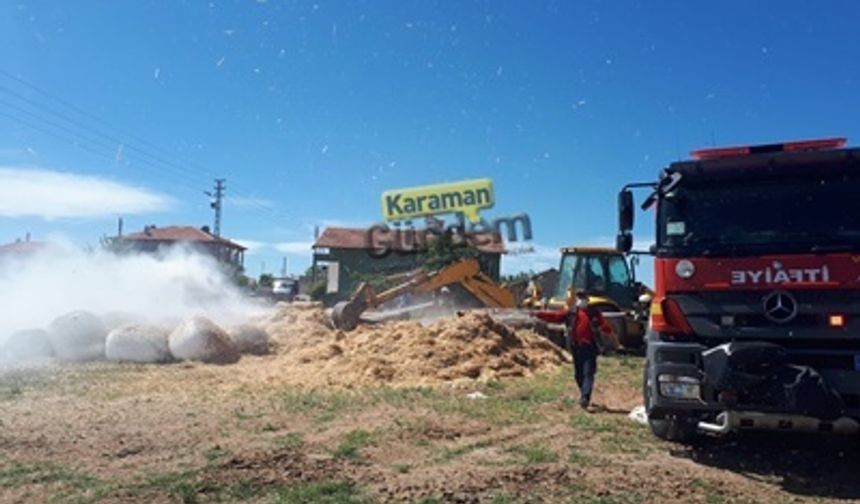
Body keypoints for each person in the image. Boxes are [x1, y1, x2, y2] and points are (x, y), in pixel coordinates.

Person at [535, 289, 614, 408]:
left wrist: (610, 334)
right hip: (576, 347)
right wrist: (539, 314)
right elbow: (556, 316)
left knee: (588, 373)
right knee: (578, 375)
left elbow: (605, 326)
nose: (581, 300)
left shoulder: (594, 313)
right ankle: (584, 393)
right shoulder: (571, 312)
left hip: (590, 347)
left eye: (583, 297)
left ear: (587, 299)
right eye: (579, 297)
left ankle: (585, 397)